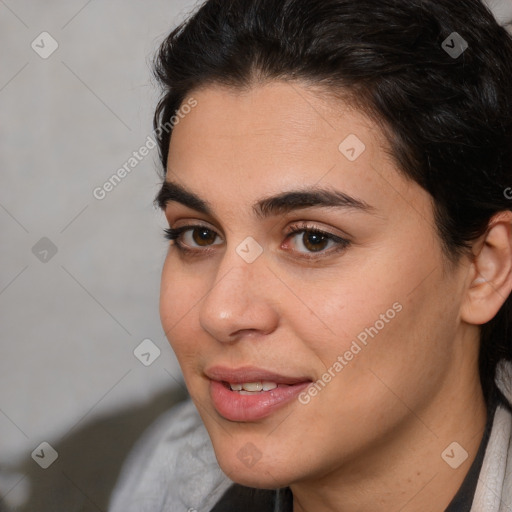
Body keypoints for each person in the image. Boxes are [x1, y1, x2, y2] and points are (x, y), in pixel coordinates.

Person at [109, 0, 512, 510]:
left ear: (485, 267)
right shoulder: (166, 475)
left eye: (312, 239)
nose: (220, 313)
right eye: (199, 235)